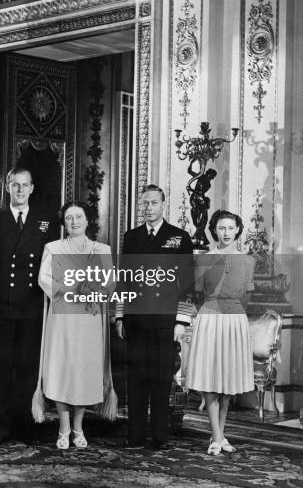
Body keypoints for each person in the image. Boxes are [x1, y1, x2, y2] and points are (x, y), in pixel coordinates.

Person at [0, 167, 58, 443]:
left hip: (33, 306)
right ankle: (0, 427)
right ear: (8, 188)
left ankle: (25, 426)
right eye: (15, 185)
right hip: (2, 306)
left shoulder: (46, 222)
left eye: (25, 185)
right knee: (1, 368)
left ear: (32, 188)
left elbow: (52, 266)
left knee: (27, 368)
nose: (21, 190)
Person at [116, 184, 193, 449]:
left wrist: (182, 321)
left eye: (153, 203)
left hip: (165, 321)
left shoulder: (179, 237)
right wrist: (119, 316)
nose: (148, 208)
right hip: (136, 319)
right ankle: (135, 436)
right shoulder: (132, 236)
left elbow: (186, 282)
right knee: (136, 379)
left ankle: (160, 437)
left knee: (161, 380)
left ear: (163, 204)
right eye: (144, 203)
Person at [37, 201, 117, 449]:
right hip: (63, 317)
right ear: (64, 222)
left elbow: (111, 282)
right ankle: (63, 427)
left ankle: (78, 427)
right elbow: (43, 279)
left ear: (87, 220)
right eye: (69, 218)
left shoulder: (101, 249)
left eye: (78, 216)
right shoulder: (53, 247)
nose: (74, 222)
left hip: (89, 317)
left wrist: (95, 292)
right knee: (64, 369)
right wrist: (70, 288)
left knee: (83, 371)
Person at [186, 209, 255, 455]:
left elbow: (246, 297)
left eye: (231, 228)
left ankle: (220, 435)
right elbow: (196, 295)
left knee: (227, 381)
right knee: (211, 377)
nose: (226, 233)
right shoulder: (203, 259)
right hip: (210, 319)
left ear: (238, 230)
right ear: (214, 229)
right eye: (221, 228)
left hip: (235, 321)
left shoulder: (248, 260)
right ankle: (216, 437)